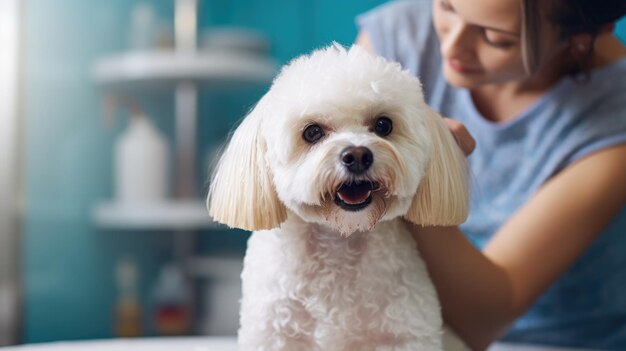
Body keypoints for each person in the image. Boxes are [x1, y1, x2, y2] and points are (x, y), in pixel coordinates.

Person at [355, 0, 626, 349]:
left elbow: (485, 319)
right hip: (403, 314)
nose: (451, 46)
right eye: (447, 8)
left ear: (582, 36)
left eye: (497, 38)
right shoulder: (400, 34)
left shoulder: (612, 122)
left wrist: (420, 171)